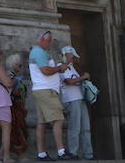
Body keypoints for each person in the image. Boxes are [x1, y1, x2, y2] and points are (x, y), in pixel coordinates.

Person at [28, 31, 69, 161]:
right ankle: (61, 152)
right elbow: (45, 70)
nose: (50, 43)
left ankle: (42, 153)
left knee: (42, 122)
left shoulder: (37, 52)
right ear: (41, 40)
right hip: (46, 91)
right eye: (48, 40)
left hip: (41, 90)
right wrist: (59, 68)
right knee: (58, 119)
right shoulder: (39, 52)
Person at [58, 47, 92, 161]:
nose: (73, 58)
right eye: (71, 56)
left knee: (86, 128)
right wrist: (83, 77)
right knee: (74, 127)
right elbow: (69, 81)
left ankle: (88, 154)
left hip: (80, 99)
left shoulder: (71, 67)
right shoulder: (60, 67)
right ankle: (73, 152)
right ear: (65, 55)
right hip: (71, 100)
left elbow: (76, 81)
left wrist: (84, 80)